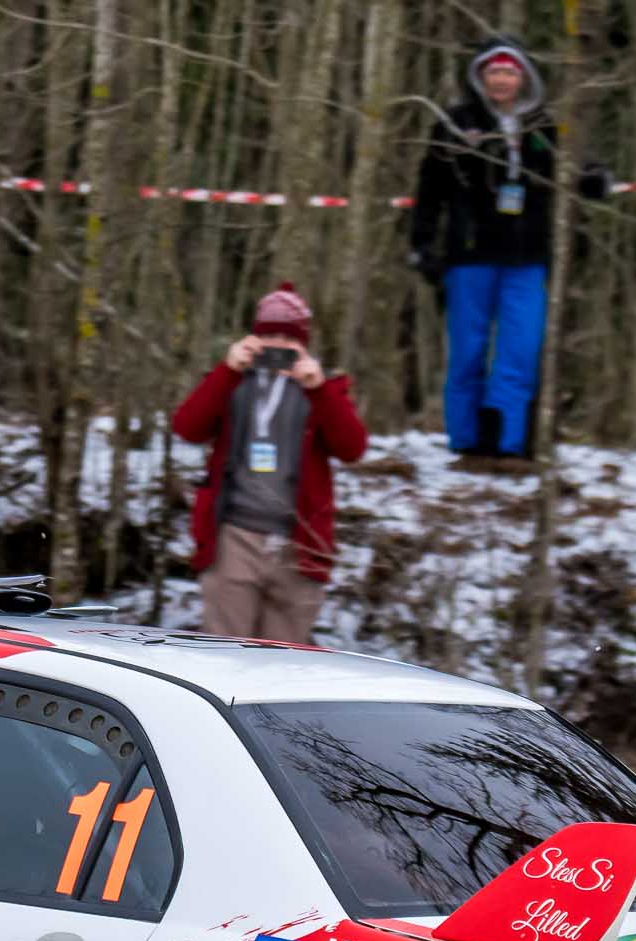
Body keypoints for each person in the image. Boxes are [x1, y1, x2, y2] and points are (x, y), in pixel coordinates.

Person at [407, 37, 607, 465]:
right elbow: (430, 188)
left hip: (526, 256)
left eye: (509, 72)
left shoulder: (544, 126)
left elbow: (570, 172)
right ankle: (467, 440)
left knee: (520, 348)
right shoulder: (456, 123)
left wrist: (593, 180)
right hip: (469, 254)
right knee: (468, 350)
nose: (501, 80)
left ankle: (506, 439)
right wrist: (421, 244)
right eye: (494, 71)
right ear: (480, 77)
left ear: (524, 78)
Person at [173, 283, 369, 642]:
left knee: (284, 662)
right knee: (224, 652)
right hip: (234, 536)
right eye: (269, 335)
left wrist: (318, 389)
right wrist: (227, 370)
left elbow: (352, 448)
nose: (278, 344)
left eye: (288, 337)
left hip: (298, 545)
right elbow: (187, 427)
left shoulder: (322, 388)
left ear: (303, 343)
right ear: (255, 337)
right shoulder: (233, 380)